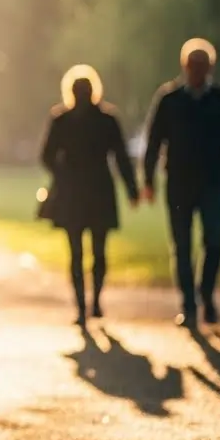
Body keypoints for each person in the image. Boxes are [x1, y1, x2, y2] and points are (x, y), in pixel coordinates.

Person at [142, 38, 220, 327]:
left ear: (209, 67)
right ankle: (189, 304)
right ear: (185, 66)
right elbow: (153, 141)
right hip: (178, 183)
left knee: (213, 243)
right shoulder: (169, 100)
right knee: (182, 246)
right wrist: (148, 179)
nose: (197, 71)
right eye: (193, 65)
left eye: (202, 66)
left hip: (212, 182)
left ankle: (206, 294)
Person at [40, 65, 139, 325]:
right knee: (98, 250)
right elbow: (121, 158)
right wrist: (132, 189)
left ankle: (82, 304)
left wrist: (62, 173)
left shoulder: (61, 120)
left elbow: (46, 156)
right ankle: (93, 301)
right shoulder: (106, 120)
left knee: (77, 252)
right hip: (99, 191)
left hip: (73, 191)